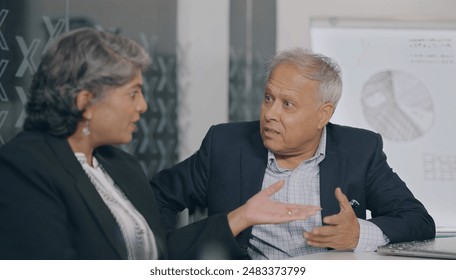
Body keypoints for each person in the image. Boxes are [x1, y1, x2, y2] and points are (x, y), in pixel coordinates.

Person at [0, 29, 321, 260]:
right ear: (86, 102)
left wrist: (243, 216)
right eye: (132, 93)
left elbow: (162, 255)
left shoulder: (121, 167)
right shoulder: (24, 167)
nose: (143, 106)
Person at [151, 48, 436, 260]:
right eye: (268, 98)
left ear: (323, 114)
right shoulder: (225, 145)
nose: (270, 114)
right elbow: (156, 197)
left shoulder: (359, 151)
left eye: (288, 104)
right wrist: (164, 257)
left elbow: (418, 220)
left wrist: (358, 234)